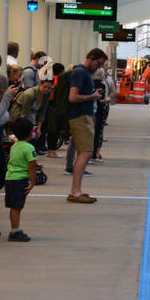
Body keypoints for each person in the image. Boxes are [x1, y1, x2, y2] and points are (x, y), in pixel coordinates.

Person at [66, 48, 108, 204]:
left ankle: (77, 190)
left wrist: (92, 93)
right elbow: (72, 97)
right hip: (80, 116)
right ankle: (75, 191)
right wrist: (92, 96)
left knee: (85, 153)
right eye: (99, 63)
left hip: (84, 115)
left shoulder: (84, 73)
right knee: (85, 153)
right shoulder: (80, 72)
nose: (99, 67)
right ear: (91, 58)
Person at [4, 117, 37, 242]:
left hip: (10, 178)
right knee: (17, 206)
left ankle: (15, 229)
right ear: (30, 132)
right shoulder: (29, 148)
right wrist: (32, 182)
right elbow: (32, 166)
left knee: (15, 206)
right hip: (19, 179)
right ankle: (14, 231)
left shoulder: (15, 146)